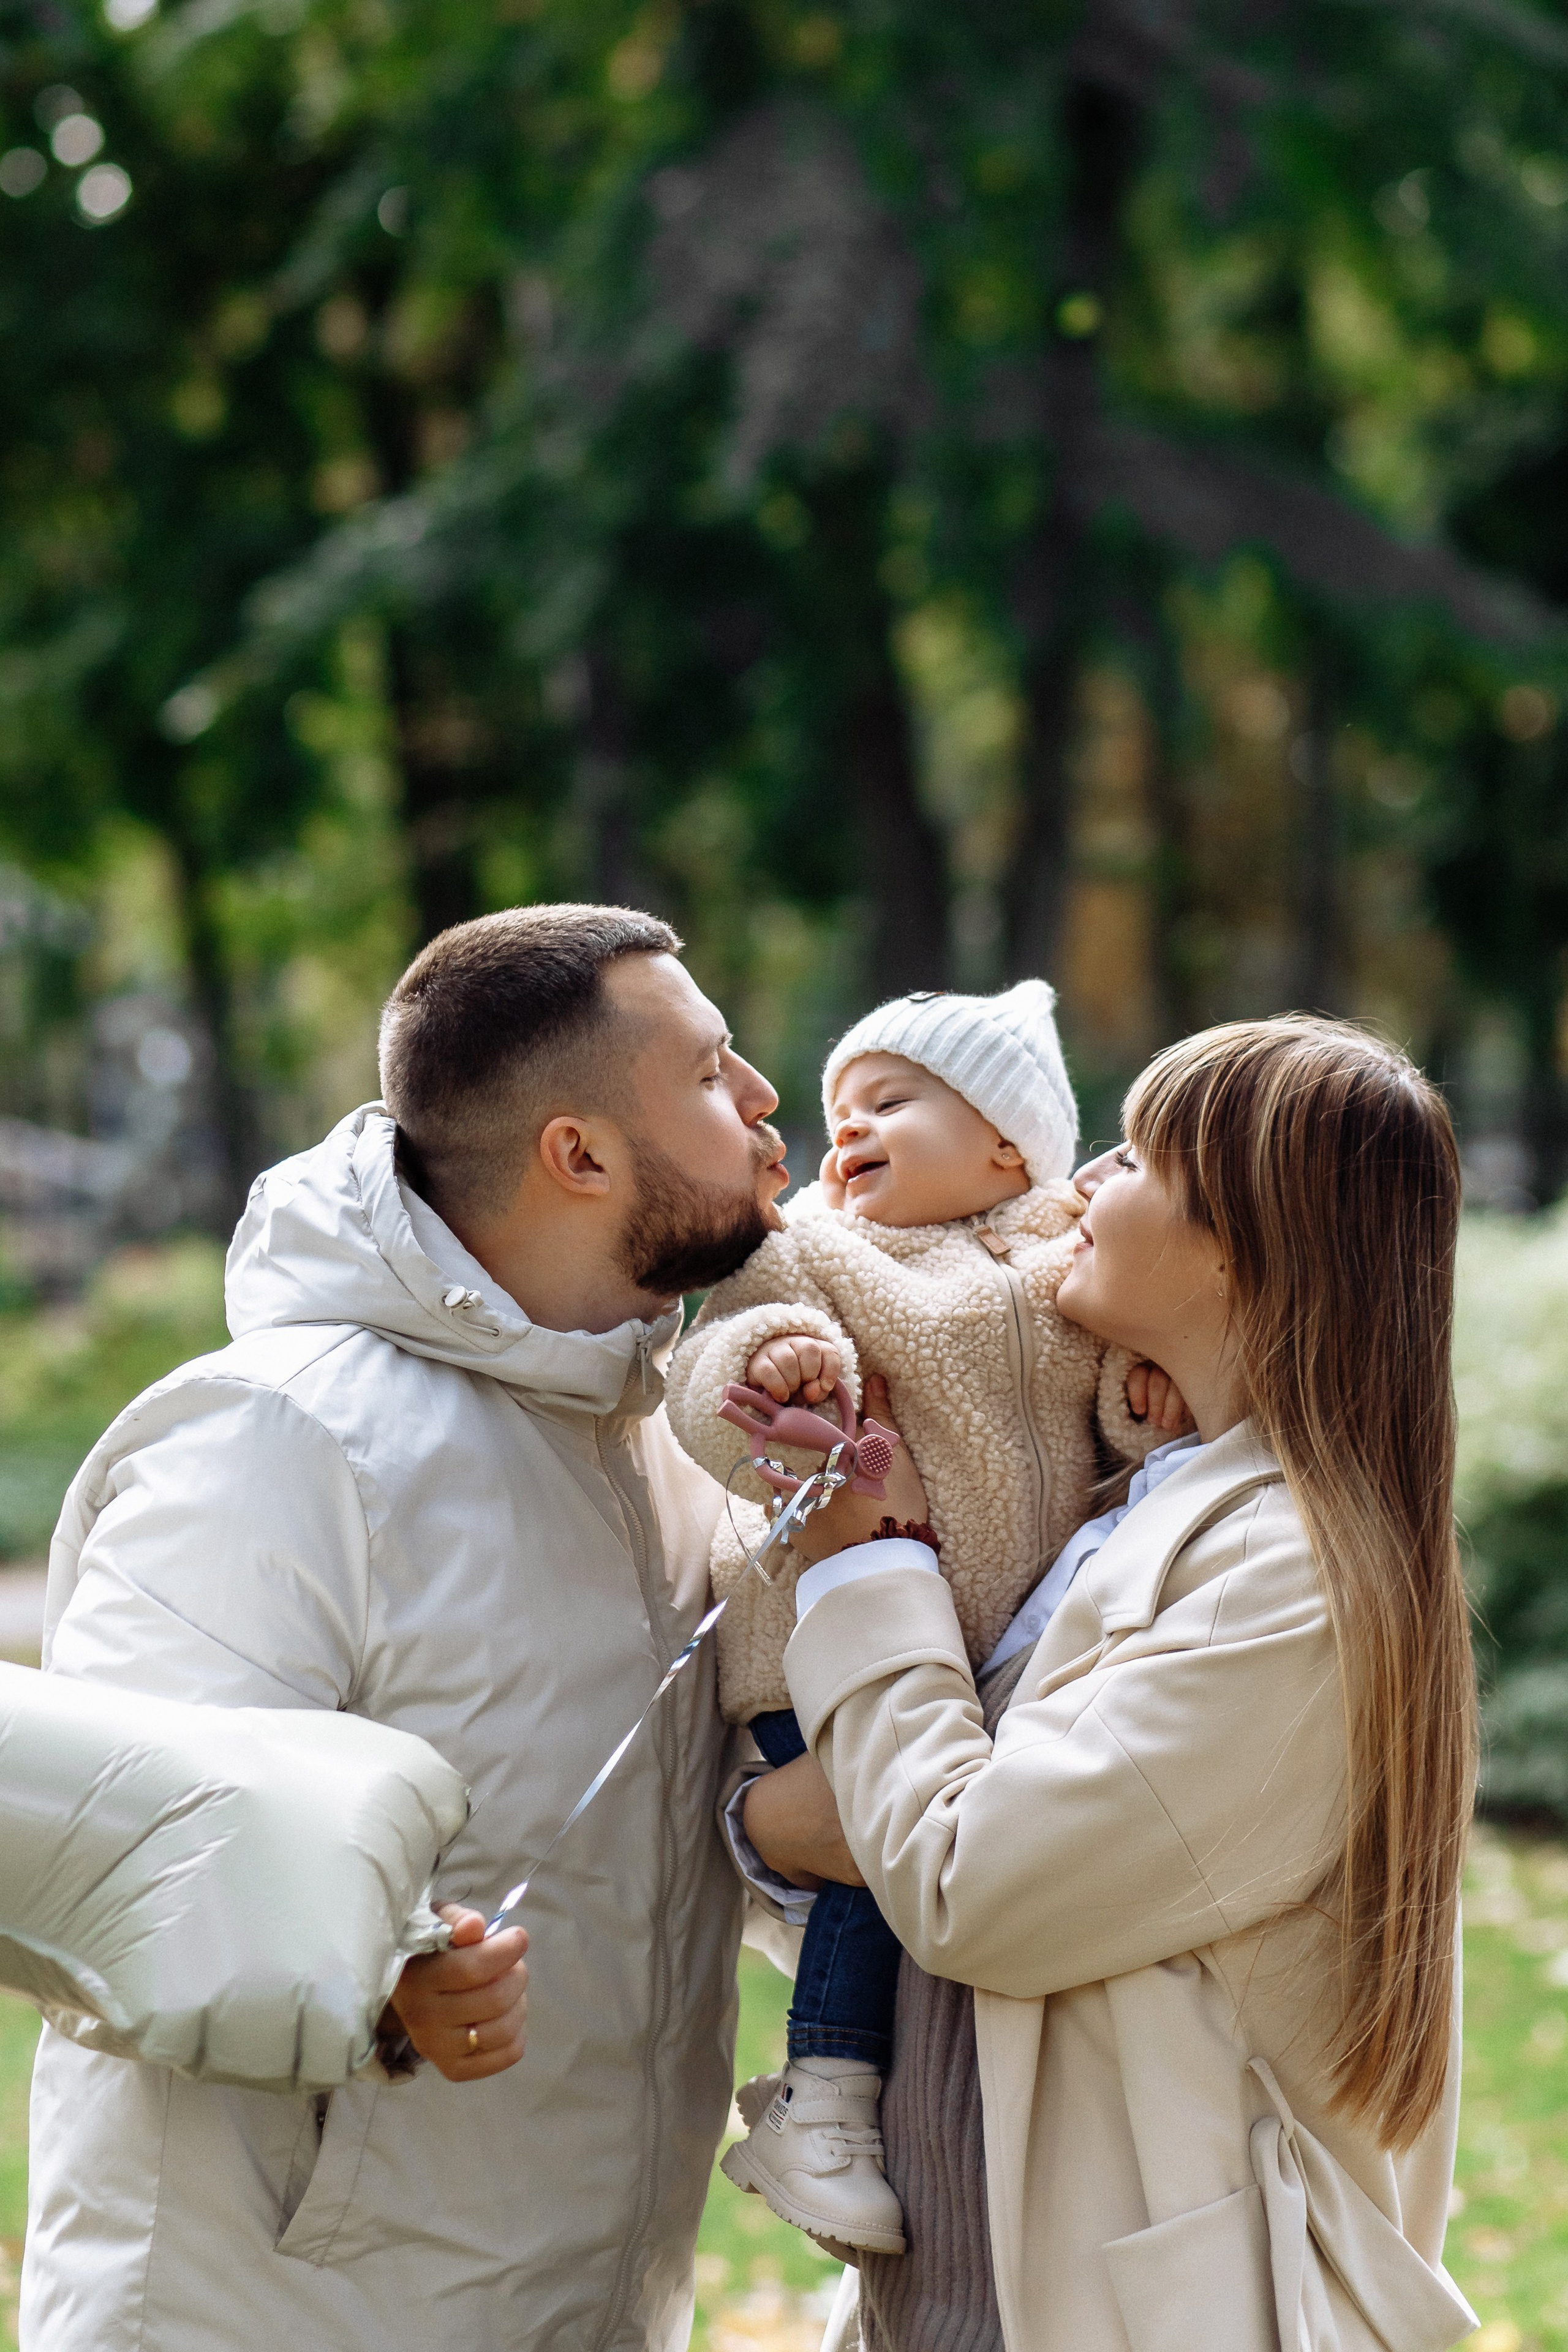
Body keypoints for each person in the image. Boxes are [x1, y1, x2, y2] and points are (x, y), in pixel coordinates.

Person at [23, 903, 789, 2352]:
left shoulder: (667, 1447)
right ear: (578, 1154)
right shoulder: (278, 1435)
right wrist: (374, 1982)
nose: (759, 1098)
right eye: (706, 1071)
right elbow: (102, 1858)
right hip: (260, 2316)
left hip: (588, 2303)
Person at [741, 1016, 1480, 2352]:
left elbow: (972, 1889)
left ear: (1245, 1245)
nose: (1080, 1180)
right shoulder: (1144, 1508)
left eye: (1136, 1158)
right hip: (974, 2283)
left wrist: (879, 1564)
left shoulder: (1294, 1584)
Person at [666, 981, 1188, 2257]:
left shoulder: (1069, 1257)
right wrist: (778, 1369)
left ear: (1010, 1146)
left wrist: (1142, 1399)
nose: (845, 1129)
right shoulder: (815, 1250)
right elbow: (709, 1367)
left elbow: (1111, 1428)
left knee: (924, 1867)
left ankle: (875, 2101)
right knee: (867, 1859)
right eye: (839, 1108)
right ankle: (824, 2102)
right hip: (811, 1632)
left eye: (889, 1104)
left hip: (975, 1650)